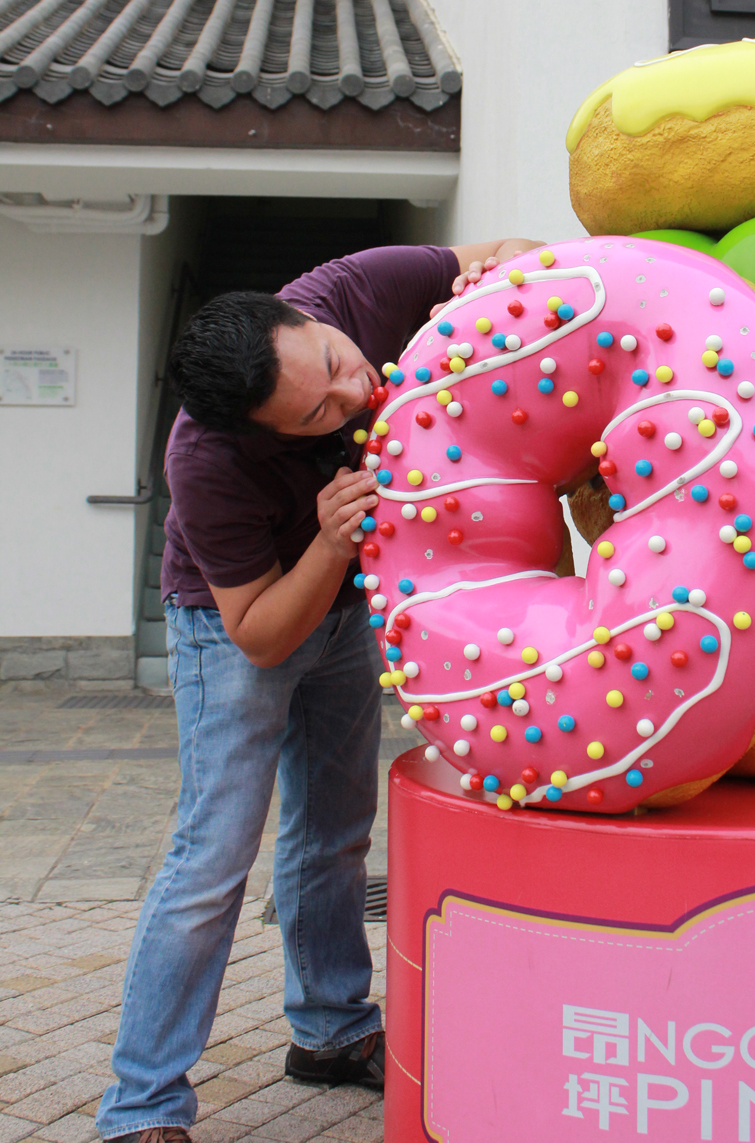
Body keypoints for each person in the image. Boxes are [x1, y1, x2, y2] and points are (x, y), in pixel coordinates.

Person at [96, 236, 539, 1143]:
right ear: (257, 431)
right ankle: (142, 1103)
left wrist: (512, 279)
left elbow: (495, 256)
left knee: (336, 832)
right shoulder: (206, 463)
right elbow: (258, 635)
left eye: (337, 368)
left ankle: (331, 1033)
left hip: (342, 609)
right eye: (314, 415)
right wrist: (332, 542)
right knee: (213, 857)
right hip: (233, 624)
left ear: (307, 317)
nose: (352, 398)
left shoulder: (354, 289)